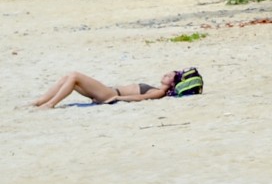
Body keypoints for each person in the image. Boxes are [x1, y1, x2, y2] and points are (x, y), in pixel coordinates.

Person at [32, 68, 200, 108]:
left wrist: (118, 98)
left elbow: (141, 98)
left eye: (169, 76)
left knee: (74, 76)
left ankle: (49, 104)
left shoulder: (159, 92)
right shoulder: (158, 89)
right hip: (107, 92)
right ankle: (40, 102)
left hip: (109, 94)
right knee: (68, 78)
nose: (165, 74)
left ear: (173, 83)